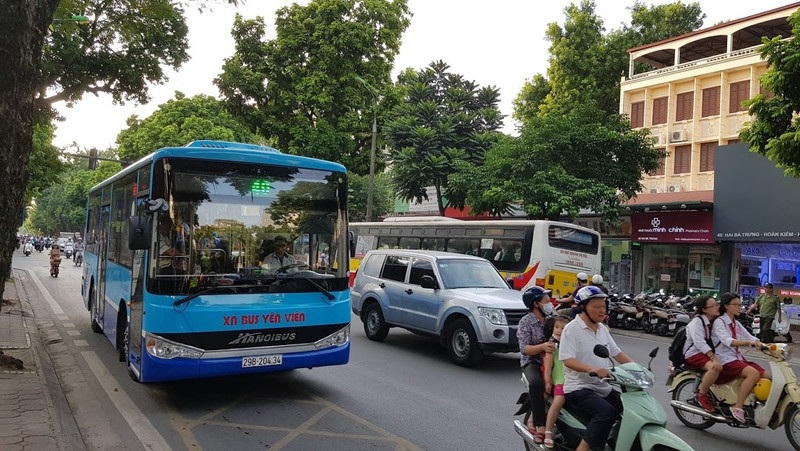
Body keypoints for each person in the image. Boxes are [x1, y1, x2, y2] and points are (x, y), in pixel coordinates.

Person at [560, 285, 633, 451]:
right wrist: (591, 369)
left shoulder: (602, 329)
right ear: (583, 307)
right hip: (579, 388)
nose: (602, 310)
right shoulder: (572, 329)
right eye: (597, 307)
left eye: (604, 306)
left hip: (603, 387)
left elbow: (618, 354)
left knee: (631, 409)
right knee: (606, 412)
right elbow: (567, 360)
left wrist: (638, 369)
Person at [712, 292, 771, 423]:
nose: (740, 307)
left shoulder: (735, 324)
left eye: (740, 305)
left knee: (768, 376)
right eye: (736, 305)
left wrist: (766, 345)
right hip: (725, 359)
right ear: (726, 306)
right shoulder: (719, 322)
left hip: (737, 358)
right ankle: (737, 407)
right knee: (753, 374)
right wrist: (749, 343)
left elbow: (749, 337)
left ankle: (753, 404)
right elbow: (728, 341)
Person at [517, 286, 557, 445]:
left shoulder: (552, 318)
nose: (550, 303)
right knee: (536, 384)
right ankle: (540, 426)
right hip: (533, 362)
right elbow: (524, 349)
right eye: (546, 300)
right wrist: (542, 347)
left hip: (553, 360)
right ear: (536, 304)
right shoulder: (525, 322)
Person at [682, 296, 722, 412]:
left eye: (717, 304)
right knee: (714, 368)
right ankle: (701, 395)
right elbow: (699, 342)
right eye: (713, 306)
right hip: (692, 354)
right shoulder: (697, 322)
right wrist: (714, 358)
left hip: (702, 353)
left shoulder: (711, 321)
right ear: (704, 309)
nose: (716, 307)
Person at [543, 315, 570, 449]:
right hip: (560, 379)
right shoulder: (552, 345)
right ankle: (548, 431)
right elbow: (548, 366)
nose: (559, 330)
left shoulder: (572, 344)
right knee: (559, 400)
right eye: (557, 327)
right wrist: (548, 380)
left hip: (574, 379)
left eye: (563, 328)